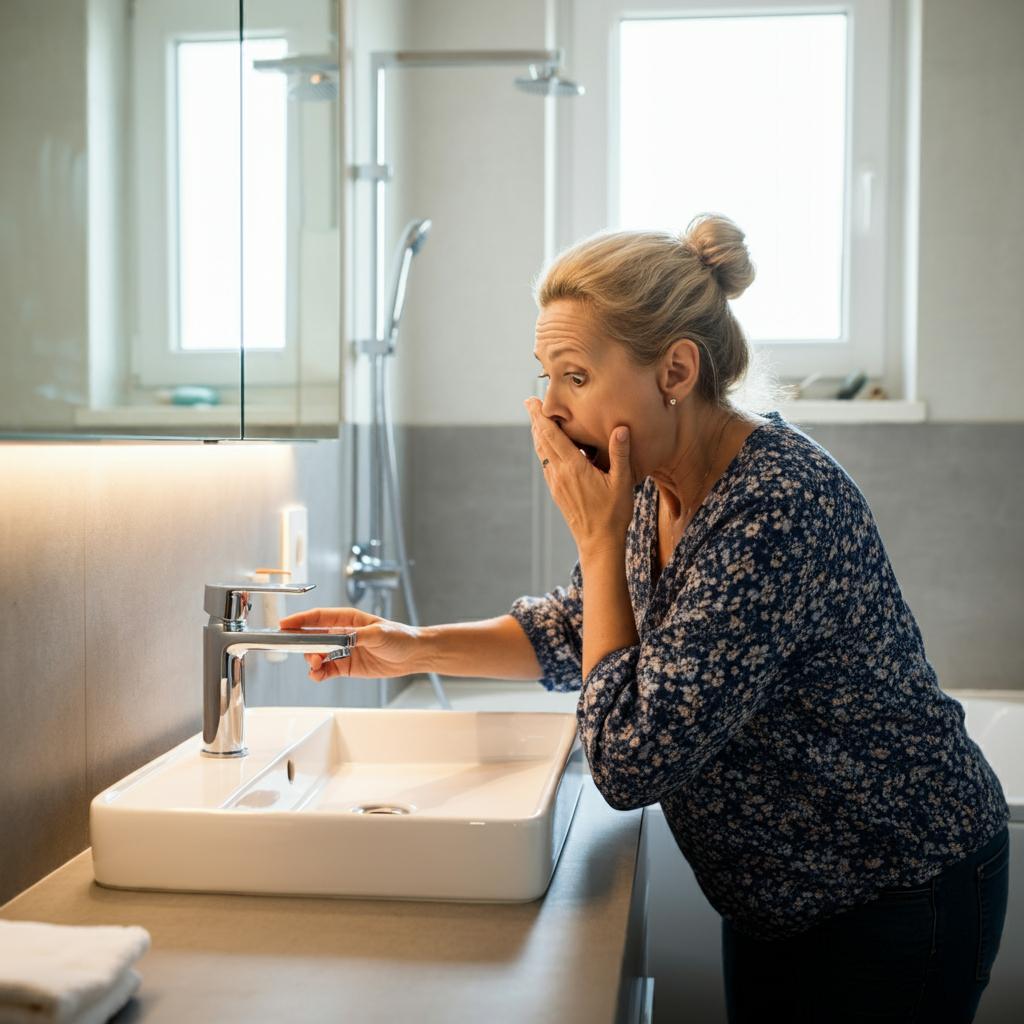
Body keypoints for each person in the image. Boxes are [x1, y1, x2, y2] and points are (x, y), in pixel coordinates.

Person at [281, 214, 1010, 1023]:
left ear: (676, 369)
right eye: (544, 375)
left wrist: (597, 539)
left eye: (575, 376)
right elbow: (585, 629)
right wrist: (411, 648)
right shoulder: (651, 482)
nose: (547, 409)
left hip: (893, 890)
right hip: (783, 895)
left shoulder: (776, 503)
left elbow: (628, 762)